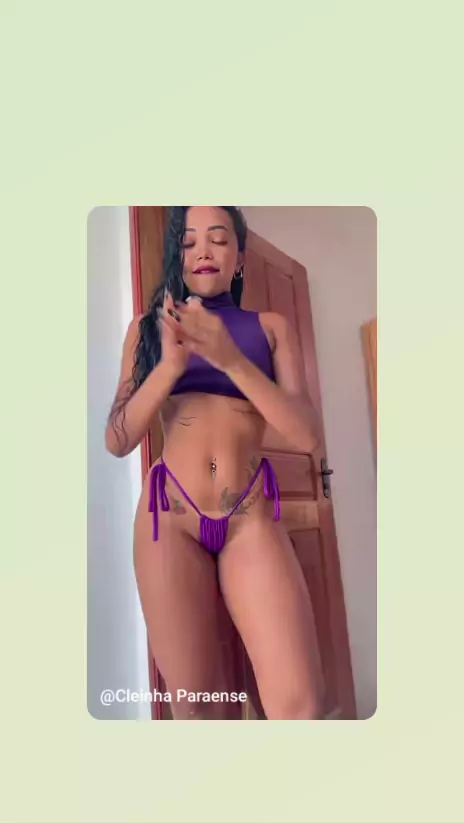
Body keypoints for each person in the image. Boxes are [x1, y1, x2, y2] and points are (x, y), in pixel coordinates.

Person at [106, 206, 322, 720]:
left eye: (219, 239)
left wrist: (231, 360)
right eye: (189, 242)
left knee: (301, 708)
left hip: (250, 517)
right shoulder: (148, 329)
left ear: (240, 258)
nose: (203, 250)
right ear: (178, 257)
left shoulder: (270, 328)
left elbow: (307, 436)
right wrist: (170, 367)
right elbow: (118, 439)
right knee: (199, 710)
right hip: (169, 521)